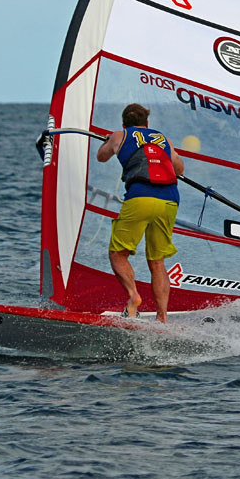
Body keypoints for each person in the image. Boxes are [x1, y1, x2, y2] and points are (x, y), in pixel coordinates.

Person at [96, 103, 185, 323]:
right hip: (169, 200)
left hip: (140, 197)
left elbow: (101, 156)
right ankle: (162, 317)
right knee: (157, 261)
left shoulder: (120, 135)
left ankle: (133, 296)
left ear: (124, 123)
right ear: (147, 123)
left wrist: (110, 140)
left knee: (118, 254)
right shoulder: (164, 139)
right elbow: (180, 170)